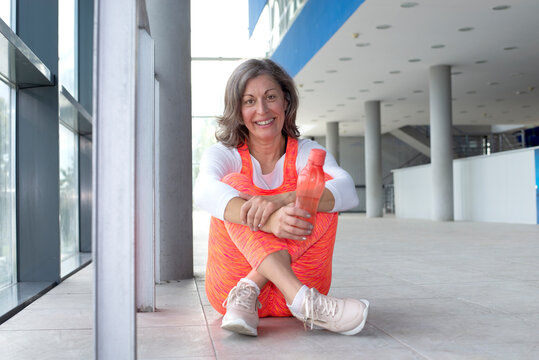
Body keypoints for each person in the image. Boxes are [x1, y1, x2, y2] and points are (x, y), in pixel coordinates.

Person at [194, 58, 369, 337]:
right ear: (238, 111)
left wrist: (283, 201)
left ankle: (254, 285)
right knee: (232, 183)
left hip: (302, 278)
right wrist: (270, 222)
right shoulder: (225, 154)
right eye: (249, 101)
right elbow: (203, 191)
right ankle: (305, 303)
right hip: (230, 289)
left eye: (270, 97)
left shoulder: (305, 152)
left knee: (320, 188)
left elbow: (347, 191)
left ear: (285, 101)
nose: (262, 110)